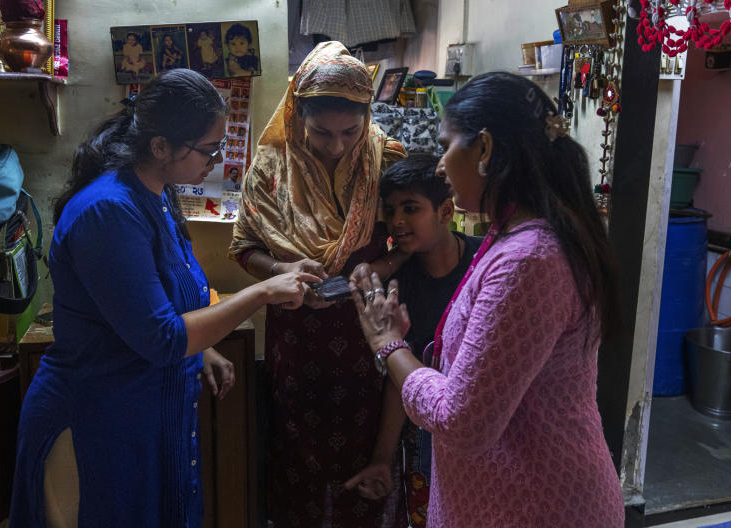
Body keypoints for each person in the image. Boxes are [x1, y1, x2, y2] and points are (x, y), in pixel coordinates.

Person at [9, 69, 318, 528]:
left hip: (144, 417)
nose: (215, 160)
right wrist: (262, 292)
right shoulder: (108, 212)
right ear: (159, 147)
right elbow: (161, 337)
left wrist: (203, 349)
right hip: (99, 423)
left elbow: (160, 305)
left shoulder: (156, 196)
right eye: (208, 149)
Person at [351, 72, 624, 528]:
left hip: (538, 505)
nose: (440, 166)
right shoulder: (513, 237)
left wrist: (388, 344)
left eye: (446, 145)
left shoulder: (529, 258)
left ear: (485, 149)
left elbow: (463, 421)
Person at [229, 41, 407, 527]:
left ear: (367, 119)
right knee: (296, 454)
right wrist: (280, 271)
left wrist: (376, 272)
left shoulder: (385, 161)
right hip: (296, 336)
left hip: (368, 335)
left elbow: (410, 241)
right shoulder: (268, 170)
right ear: (296, 116)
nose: (336, 146)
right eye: (320, 133)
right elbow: (244, 246)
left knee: (367, 454)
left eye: (350, 131)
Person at [345, 154, 481, 527]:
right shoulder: (399, 287)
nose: (398, 221)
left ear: (445, 210)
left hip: (484, 430)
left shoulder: (486, 262)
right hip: (424, 439)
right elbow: (401, 378)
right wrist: (382, 459)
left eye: (410, 208)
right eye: (390, 211)